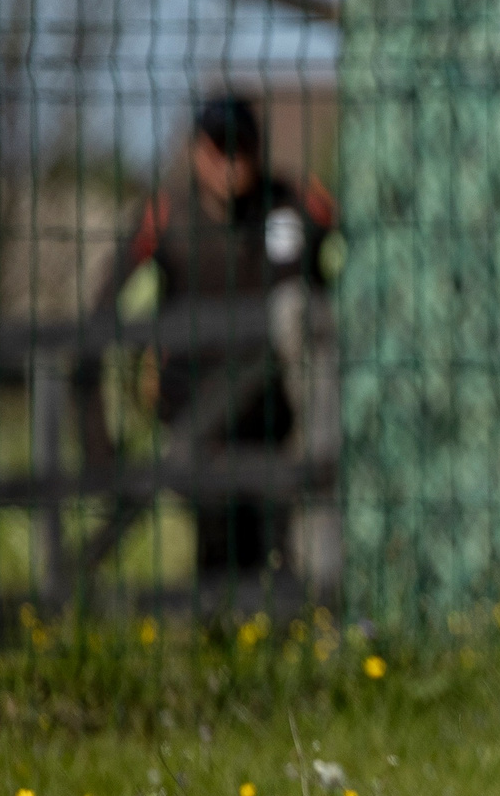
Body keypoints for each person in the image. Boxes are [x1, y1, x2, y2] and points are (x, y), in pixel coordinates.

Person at [80, 95, 337, 579]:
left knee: (280, 549)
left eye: (242, 146)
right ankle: (222, 634)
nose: (231, 161)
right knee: (219, 547)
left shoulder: (298, 203)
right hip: (195, 422)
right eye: (219, 147)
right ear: (197, 151)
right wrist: (100, 447)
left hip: (278, 422)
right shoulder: (165, 217)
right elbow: (100, 315)